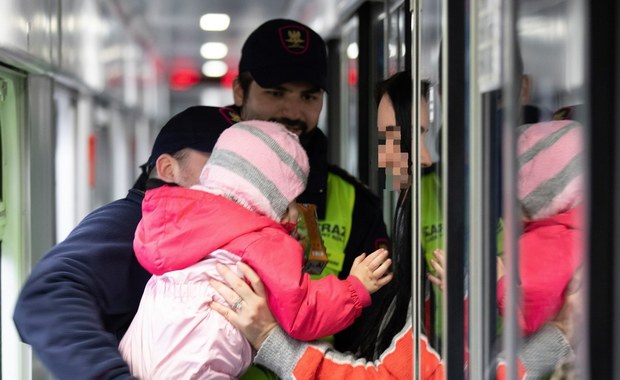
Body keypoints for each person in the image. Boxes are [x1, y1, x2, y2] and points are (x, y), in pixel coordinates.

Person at [207, 71, 575, 378]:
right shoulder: (406, 215)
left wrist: (270, 338)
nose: (384, 156)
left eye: (404, 137)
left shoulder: (464, 220)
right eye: (384, 139)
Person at [118, 120, 392, 379]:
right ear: (272, 197)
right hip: (199, 367)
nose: (297, 211)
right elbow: (303, 312)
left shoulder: (178, 219)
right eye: (293, 199)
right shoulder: (261, 240)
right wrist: (355, 288)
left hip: (137, 357)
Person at [12, 105, 238, 379]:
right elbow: (46, 298)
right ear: (168, 168)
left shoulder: (208, 231)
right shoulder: (131, 222)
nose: (237, 179)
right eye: (222, 164)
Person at [231, 18, 390, 355]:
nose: (292, 111)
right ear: (239, 92)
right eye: (276, 93)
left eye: (308, 96)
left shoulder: (356, 203)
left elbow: (370, 338)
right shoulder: (192, 179)